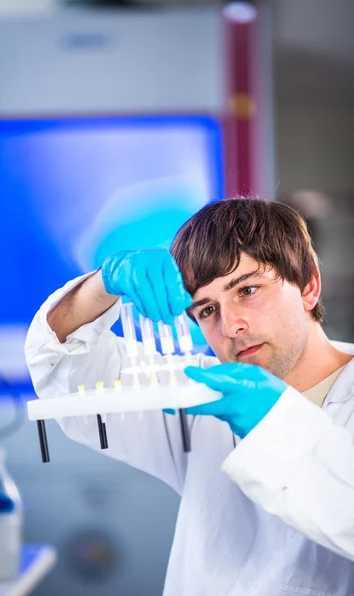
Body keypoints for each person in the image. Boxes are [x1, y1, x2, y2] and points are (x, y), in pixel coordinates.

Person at [25, 198, 354, 596]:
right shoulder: (200, 395)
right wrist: (102, 285)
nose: (231, 326)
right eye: (207, 310)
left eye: (248, 290)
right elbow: (66, 367)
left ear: (309, 286)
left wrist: (277, 423)